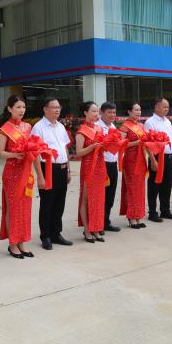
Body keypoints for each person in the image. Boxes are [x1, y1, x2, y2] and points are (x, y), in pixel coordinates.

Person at [0, 95, 41, 258]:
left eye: (23, 107)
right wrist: (14, 155)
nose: (21, 110)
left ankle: (22, 242)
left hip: (26, 172)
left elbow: (33, 149)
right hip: (12, 173)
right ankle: (12, 243)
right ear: (10, 109)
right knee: (13, 208)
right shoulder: (4, 129)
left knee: (25, 208)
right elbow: (1, 152)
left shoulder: (28, 127)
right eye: (18, 107)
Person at [31, 97, 72, 250]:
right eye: (53, 107)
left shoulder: (60, 126)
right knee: (47, 203)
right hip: (47, 169)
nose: (57, 110)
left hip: (62, 168)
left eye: (58, 107)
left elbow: (64, 148)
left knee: (60, 203)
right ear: (45, 109)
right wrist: (40, 176)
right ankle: (46, 236)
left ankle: (56, 233)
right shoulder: (38, 128)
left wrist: (68, 169)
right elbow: (35, 153)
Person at [144, 98, 172, 222]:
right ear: (156, 107)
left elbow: (171, 139)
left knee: (167, 185)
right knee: (154, 185)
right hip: (157, 157)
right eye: (164, 107)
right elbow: (147, 143)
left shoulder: (167, 121)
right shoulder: (150, 122)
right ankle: (152, 213)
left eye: (167, 107)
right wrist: (153, 160)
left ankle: (165, 210)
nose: (166, 109)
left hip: (168, 157)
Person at [75, 102, 105, 242]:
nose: (96, 114)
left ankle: (96, 228)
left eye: (97, 111)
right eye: (93, 111)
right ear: (85, 112)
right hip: (88, 167)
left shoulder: (99, 128)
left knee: (98, 199)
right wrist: (92, 147)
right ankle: (87, 229)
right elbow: (79, 152)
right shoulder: (81, 130)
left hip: (100, 166)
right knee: (86, 198)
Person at [118, 103, 147, 228]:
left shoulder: (141, 125)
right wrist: (137, 142)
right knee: (132, 188)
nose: (138, 112)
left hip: (141, 159)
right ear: (129, 111)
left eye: (140, 110)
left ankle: (138, 216)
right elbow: (121, 145)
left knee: (140, 189)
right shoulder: (124, 126)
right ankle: (131, 217)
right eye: (136, 110)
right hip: (130, 160)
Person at [96, 102, 122, 233]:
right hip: (102, 164)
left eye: (114, 112)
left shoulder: (113, 126)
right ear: (101, 112)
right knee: (101, 195)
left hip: (113, 164)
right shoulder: (97, 127)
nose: (112, 115)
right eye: (109, 112)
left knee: (110, 195)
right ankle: (97, 223)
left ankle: (106, 221)